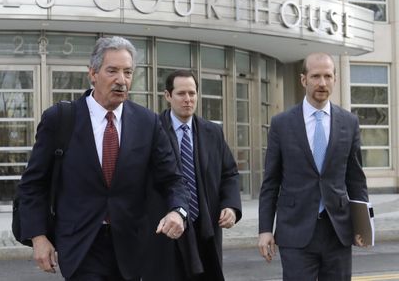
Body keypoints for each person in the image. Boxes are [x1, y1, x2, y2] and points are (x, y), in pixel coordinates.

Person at [17, 36, 190, 280]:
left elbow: (173, 179)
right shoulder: (61, 119)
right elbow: (33, 184)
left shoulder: (147, 123)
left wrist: (178, 211)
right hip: (81, 245)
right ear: (93, 73)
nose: (122, 80)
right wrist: (38, 236)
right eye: (113, 71)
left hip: (131, 248)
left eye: (128, 72)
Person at [258, 52, 369, 281]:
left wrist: (363, 226)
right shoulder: (282, 124)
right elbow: (271, 182)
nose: (322, 83)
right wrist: (265, 229)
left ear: (335, 80)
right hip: (295, 231)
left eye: (328, 76)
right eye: (316, 76)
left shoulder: (349, 122)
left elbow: (356, 179)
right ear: (303, 80)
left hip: (338, 231)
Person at [142, 70, 242, 281]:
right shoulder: (151, 130)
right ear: (167, 96)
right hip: (167, 230)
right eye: (181, 94)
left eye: (192, 93)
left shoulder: (212, 132)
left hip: (206, 229)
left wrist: (231, 206)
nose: (188, 99)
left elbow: (229, 173)